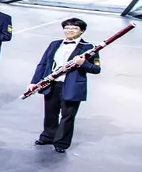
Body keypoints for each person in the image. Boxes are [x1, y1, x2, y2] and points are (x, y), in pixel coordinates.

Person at [27, 18, 100, 153]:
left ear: (82, 31)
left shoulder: (89, 48)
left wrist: (82, 63)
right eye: (67, 28)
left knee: (67, 116)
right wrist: (34, 82)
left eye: (74, 28)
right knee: (50, 113)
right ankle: (48, 136)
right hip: (52, 84)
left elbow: (96, 69)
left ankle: (61, 143)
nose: (69, 31)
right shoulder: (54, 44)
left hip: (72, 87)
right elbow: (43, 64)